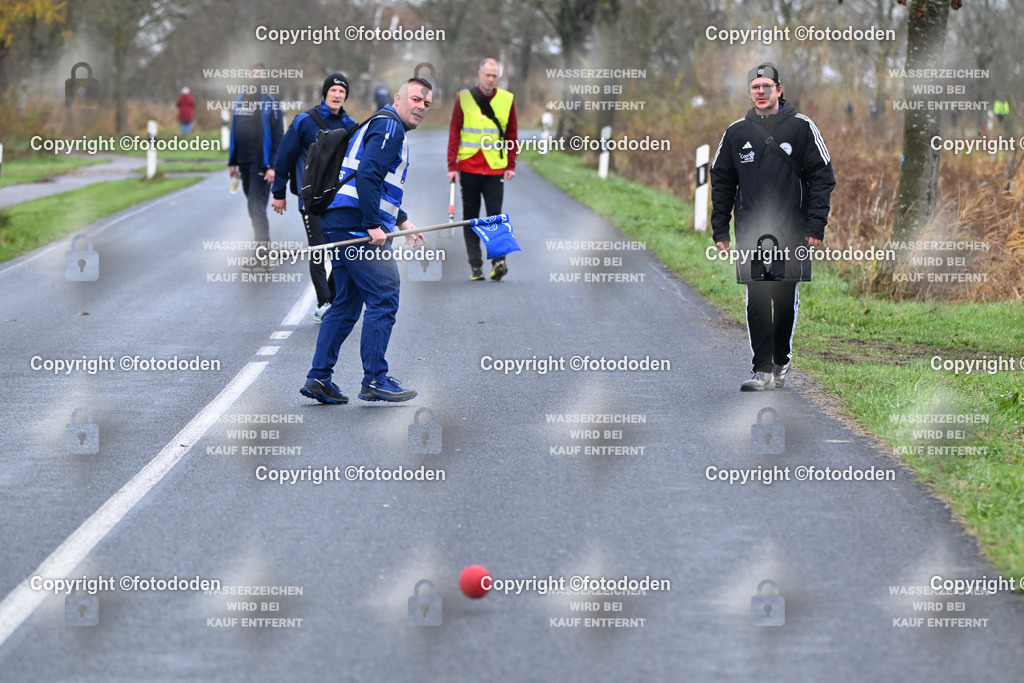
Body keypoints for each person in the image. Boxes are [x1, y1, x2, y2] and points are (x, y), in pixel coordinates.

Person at [300, 78, 432, 405]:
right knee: (385, 293)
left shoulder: (379, 123)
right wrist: (373, 224)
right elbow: (368, 175)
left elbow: (375, 178)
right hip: (355, 223)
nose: (421, 107)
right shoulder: (390, 128)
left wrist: (400, 219)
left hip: (339, 219)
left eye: (427, 104)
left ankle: (319, 378)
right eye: (416, 99)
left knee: (346, 302)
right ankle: (375, 379)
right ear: (398, 99)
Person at [710, 62, 835, 392]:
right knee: (756, 298)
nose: (761, 91)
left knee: (783, 298)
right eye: (755, 86)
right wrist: (720, 229)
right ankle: (761, 369)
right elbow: (721, 181)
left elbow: (822, 178)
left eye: (767, 86)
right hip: (751, 231)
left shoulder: (803, 128)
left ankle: (780, 359)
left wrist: (815, 225)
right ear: (750, 92)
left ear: (779, 90)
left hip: (791, 230)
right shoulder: (736, 133)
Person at [271, 73, 357, 322]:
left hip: (339, 200)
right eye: (333, 90)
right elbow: (284, 157)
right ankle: (324, 302)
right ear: (325, 92)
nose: (337, 95)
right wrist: (279, 192)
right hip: (310, 200)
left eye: (342, 92)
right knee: (318, 248)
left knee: (342, 250)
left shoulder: (351, 126)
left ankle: (333, 295)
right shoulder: (304, 121)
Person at [447, 57, 517, 281]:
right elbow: (454, 132)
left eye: (494, 76)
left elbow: (512, 135)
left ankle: (499, 262)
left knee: (495, 217)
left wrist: (511, 164)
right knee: (471, 218)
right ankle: (475, 266)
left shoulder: (507, 100)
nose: (490, 79)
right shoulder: (464, 98)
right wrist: (452, 166)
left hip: (495, 169)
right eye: (487, 74)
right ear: (479, 74)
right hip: (468, 167)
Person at [228, 65, 284, 260]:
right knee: (252, 205)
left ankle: (263, 249)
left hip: (261, 164)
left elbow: (278, 136)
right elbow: (234, 131)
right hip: (243, 163)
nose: (257, 77)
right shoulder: (239, 99)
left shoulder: (271, 101)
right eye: (254, 74)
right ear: (247, 76)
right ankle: (261, 243)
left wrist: (272, 166)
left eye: (261, 74)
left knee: (255, 204)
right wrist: (232, 162)